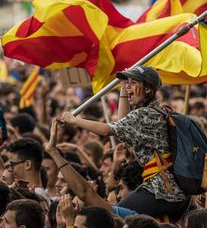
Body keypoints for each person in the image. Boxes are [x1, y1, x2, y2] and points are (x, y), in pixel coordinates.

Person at [61, 65, 190, 220]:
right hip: (175, 192)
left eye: (134, 83)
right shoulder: (158, 110)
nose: (129, 86)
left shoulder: (145, 114)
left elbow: (109, 130)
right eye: (127, 83)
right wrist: (124, 88)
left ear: (148, 89)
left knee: (113, 216)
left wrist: (74, 120)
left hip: (163, 191)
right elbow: (123, 125)